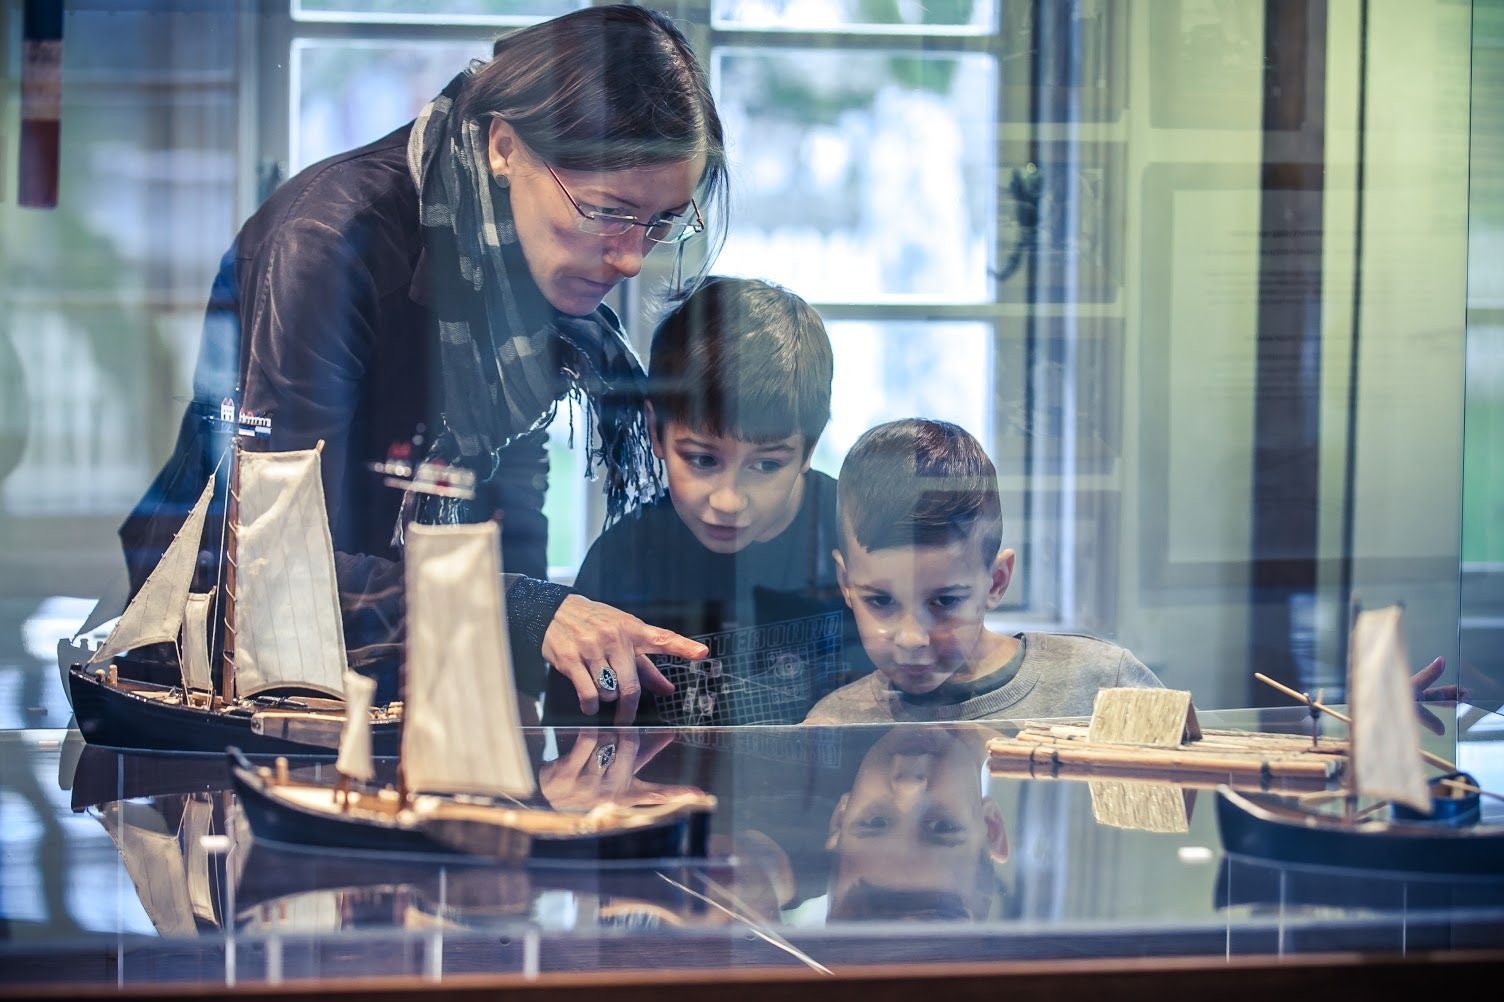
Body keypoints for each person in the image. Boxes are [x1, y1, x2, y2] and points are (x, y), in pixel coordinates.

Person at [116, 5, 724, 717]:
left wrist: (531, 675)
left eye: (661, 223)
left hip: (414, 685)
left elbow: (510, 512)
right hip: (240, 689)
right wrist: (524, 614)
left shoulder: (524, 260)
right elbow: (279, 567)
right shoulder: (327, 245)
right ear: (505, 147)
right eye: (606, 211)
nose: (630, 258)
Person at [542, 276, 870, 726]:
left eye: (766, 466)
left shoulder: (859, 535)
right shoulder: (623, 559)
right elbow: (574, 735)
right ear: (656, 431)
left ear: (809, 449)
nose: (729, 500)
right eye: (701, 459)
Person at [805, 418, 1163, 724]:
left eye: (944, 601)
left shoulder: (1102, 682)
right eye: (881, 600)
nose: (912, 638)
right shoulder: (837, 722)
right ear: (845, 584)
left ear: (997, 581)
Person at [824, 725, 1009, 922]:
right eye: (942, 826)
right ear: (991, 828)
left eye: (876, 822)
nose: (908, 784)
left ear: (841, 818)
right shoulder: (1040, 734)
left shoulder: (820, 722)